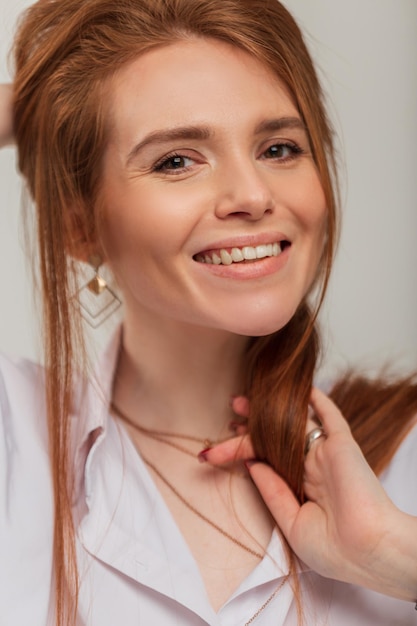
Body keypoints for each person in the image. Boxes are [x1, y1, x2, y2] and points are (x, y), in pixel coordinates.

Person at [0, 1, 416, 624]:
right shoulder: (14, 442)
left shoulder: (405, 449)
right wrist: (29, 109)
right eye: (176, 160)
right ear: (78, 224)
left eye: (279, 148)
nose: (253, 195)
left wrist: (394, 554)